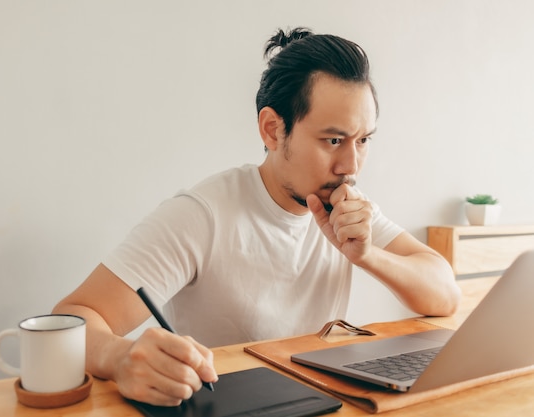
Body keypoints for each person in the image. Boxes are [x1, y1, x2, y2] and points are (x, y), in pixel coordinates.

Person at [53, 27, 461, 406]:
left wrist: (368, 255)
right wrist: (119, 357)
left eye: (363, 140)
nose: (350, 165)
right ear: (272, 129)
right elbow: (70, 319)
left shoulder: (348, 209)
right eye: (333, 140)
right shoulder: (203, 214)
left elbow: (444, 294)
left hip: (313, 401)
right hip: (226, 405)